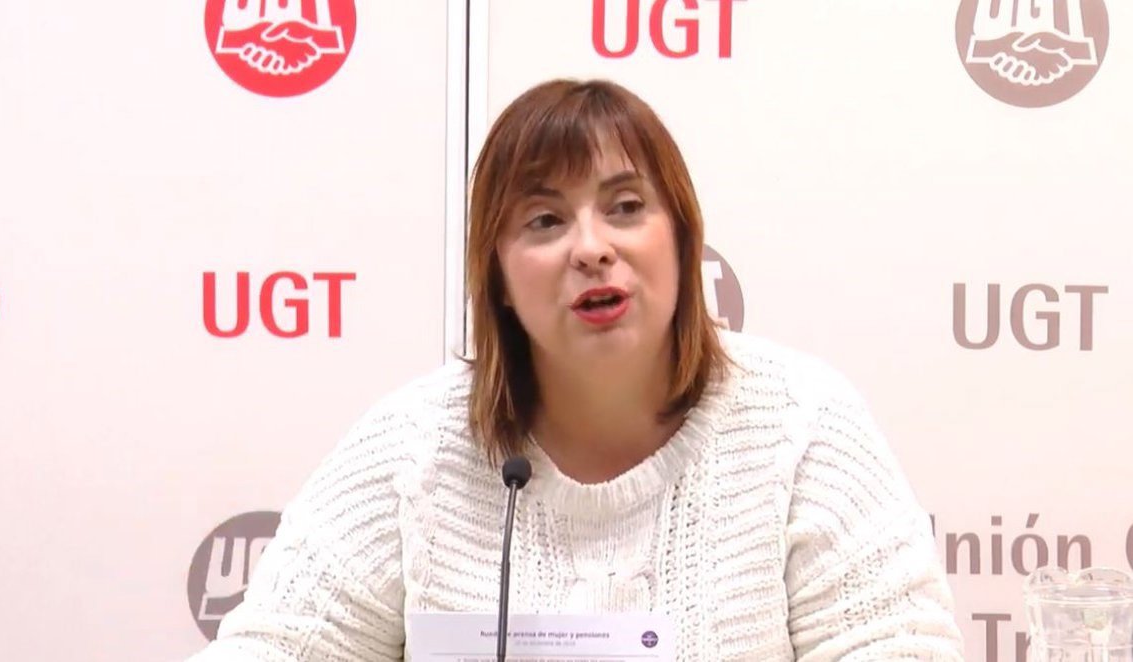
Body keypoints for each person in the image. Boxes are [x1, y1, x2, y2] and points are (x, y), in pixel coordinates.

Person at [188, 78, 965, 660]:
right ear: (497, 275)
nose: (592, 248)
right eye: (545, 220)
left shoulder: (801, 424)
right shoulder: (414, 448)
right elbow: (273, 646)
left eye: (625, 207)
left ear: (683, 239)